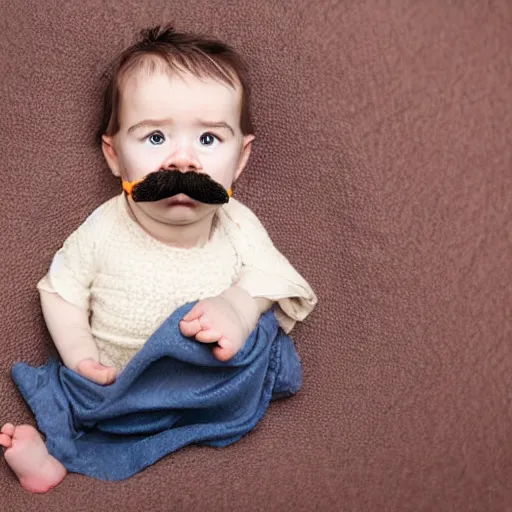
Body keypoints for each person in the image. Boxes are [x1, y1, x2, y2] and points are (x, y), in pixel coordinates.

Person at [0, 24, 317, 493]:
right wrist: (82, 357)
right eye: (154, 139)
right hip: (119, 386)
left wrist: (237, 306)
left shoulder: (237, 224)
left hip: (209, 378)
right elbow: (60, 292)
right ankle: (52, 454)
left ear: (241, 159)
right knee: (73, 394)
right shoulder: (103, 230)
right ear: (113, 155)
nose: (182, 161)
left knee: (265, 348)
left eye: (209, 140)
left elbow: (274, 277)